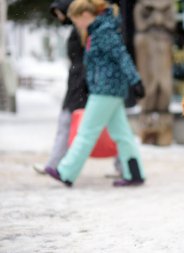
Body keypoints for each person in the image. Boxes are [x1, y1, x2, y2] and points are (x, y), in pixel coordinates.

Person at [45, 0, 146, 187]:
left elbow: (121, 55)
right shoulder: (99, 29)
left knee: (86, 132)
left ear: (85, 15)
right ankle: (135, 173)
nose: (76, 25)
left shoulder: (103, 31)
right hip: (108, 89)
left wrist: (136, 80)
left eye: (76, 20)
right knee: (122, 134)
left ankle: (66, 172)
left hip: (105, 89)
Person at [33, 0, 89, 174]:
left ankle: (55, 165)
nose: (58, 17)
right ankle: (55, 164)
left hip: (81, 85)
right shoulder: (77, 30)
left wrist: (81, 81)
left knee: (69, 123)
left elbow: (84, 61)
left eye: (59, 13)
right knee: (98, 126)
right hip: (77, 83)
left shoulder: (83, 30)